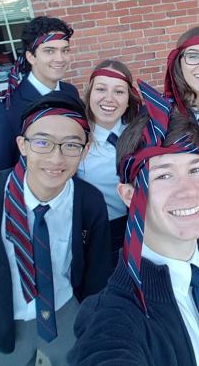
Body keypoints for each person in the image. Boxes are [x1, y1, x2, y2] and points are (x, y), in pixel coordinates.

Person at [69, 81, 199, 366]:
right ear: (129, 195)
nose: (189, 191)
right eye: (164, 175)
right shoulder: (117, 313)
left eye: (196, 169)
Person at [0, 91, 112, 366]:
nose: (56, 158)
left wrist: (91, 320)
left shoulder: (89, 202)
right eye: (42, 142)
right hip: (4, 317)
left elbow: (98, 273)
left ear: (85, 150)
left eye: (71, 145)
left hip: (65, 308)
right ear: (22, 145)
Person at [0, 16, 80, 171]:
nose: (60, 59)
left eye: (65, 50)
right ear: (31, 57)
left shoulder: (71, 92)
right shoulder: (6, 110)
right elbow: (0, 173)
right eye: (49, 51)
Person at [77, 59, 142, 265]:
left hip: (145, 228)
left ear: (129, 99)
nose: (109, 98)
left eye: (119, 92)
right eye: (101, 89)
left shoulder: (144, 134)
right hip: (102, 235)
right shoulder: (77, 140)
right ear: (89, 94)